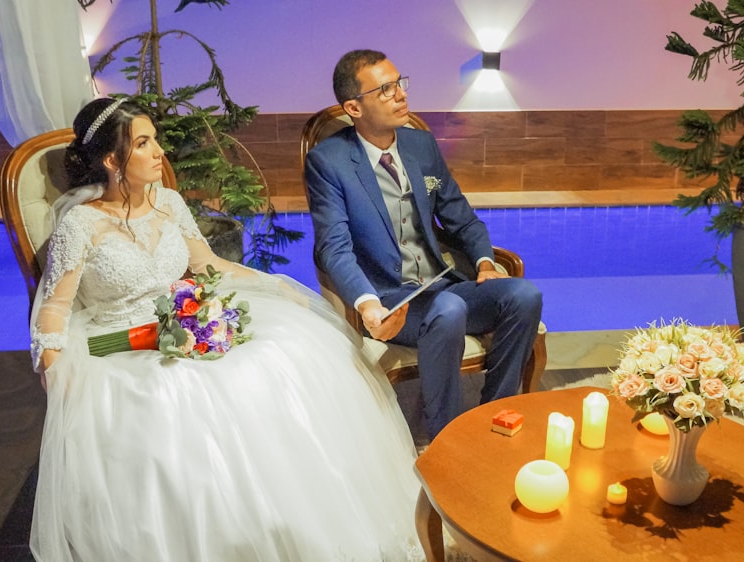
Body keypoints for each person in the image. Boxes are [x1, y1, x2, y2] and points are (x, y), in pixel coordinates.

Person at [28, 97, 424, 561]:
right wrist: (55, 370)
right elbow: (54, 308)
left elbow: (209, 264)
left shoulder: (169, 203)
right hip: (118, 351)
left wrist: (281, 286)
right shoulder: (81, 223)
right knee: (185, 397)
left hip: (184, 324)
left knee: (283, 358)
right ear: (113, 160)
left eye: (156, 139)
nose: (159, 152)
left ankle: (294, 520)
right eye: (143, 143)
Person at [304, 49, 544, 439]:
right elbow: (333, 247)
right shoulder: (328, 162)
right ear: (354, 106)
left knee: (524, 295)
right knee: (448, 309)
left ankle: (496, 415)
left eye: (400, 83)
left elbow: (460, 216)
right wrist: (368, 305)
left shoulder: (421, 146)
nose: (400, 95)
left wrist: (484, 261)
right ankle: (446, 436)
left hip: (444, 284)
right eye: (385, 89)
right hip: (391, 300)